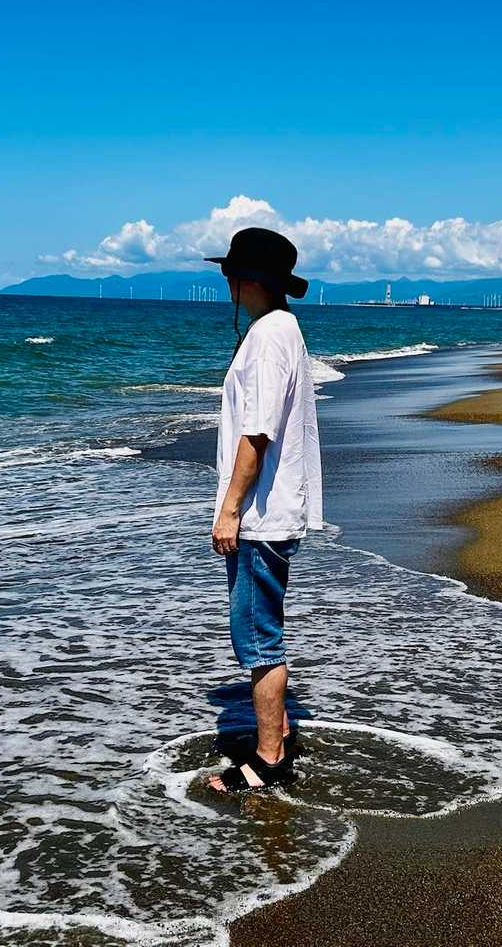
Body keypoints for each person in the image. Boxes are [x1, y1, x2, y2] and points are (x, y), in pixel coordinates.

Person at [203, 227, 323, 794]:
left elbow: (258, 433)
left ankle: (269, 759)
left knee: (257, 637)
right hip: (269, 510)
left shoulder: (270, 336)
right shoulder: (278, 329)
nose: (225, 282)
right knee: (260, 630)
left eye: (229, 273)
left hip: (261, 515)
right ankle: (277, 739)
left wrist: (230, 510)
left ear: (244, 279)